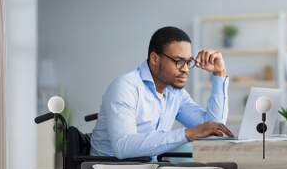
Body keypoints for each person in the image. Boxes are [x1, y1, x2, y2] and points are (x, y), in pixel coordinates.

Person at [90, 26, 233, 159]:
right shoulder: (126, 87)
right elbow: (123, 147)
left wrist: (219, 73)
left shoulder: (175, 93)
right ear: (154, 58)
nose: (186, 69)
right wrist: (189, 134)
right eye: (178, 61)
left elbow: (215, 128)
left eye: (188, 62)